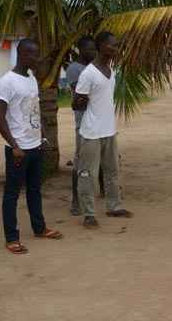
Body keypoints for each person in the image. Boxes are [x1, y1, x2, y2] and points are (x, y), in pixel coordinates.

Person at [0, 39, 63, 254]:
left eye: (37, 54)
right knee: (12, 194)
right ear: (21, 54)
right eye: (32, 54)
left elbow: (34, 107)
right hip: (18, 149)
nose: (36, 58)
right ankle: (12, 238)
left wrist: (41, 132)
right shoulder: (7, 81)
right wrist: (14, 145)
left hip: (35, 146)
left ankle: (39, 228)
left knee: (35, 190)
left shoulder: (31, 78)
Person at [74, 31, 133, 228]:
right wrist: (79, 101)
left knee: (112, 171)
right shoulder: (88, 73)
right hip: (91, 132)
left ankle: (114, 206)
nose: (115, 49)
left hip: (109, 130)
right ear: (100, 46)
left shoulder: (111, 69)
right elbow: (77, 103)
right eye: (111, 45)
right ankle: (89, 214)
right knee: (87, 174)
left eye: (116, 45)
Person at [66, 36, 98, 216]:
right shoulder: (74, 69)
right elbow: (81, 97)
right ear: (81, 49)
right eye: (90, 49)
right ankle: (75, 200)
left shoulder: (92, 68)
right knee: (80, 163)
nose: (93, 53)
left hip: (99, 121)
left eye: (95, 49)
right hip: (83, 122)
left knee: (100, 161)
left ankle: (99, 193)